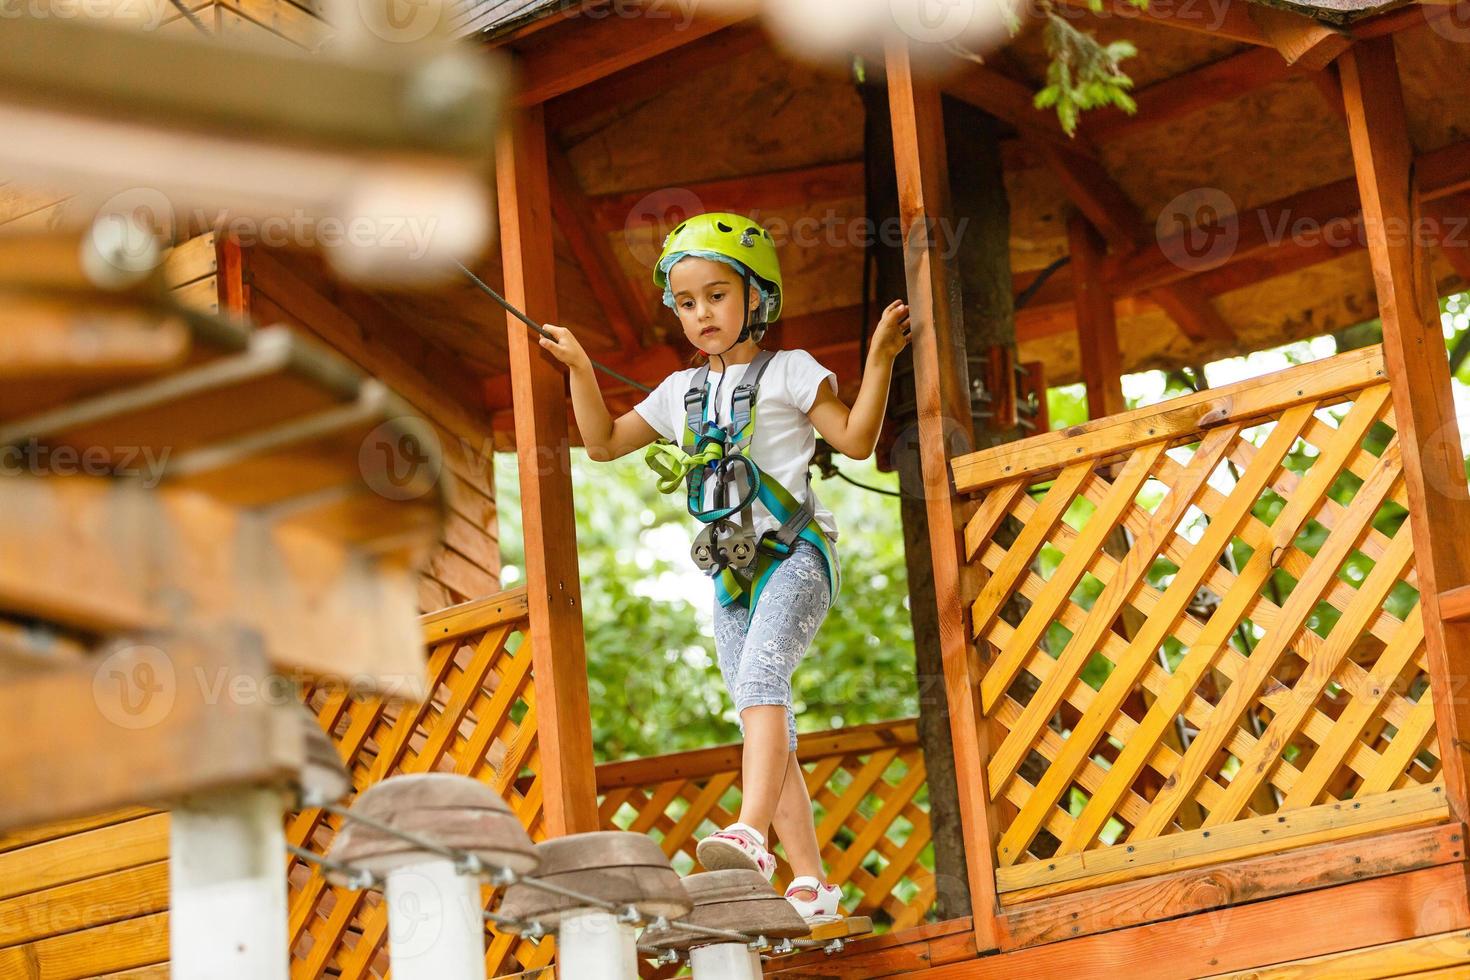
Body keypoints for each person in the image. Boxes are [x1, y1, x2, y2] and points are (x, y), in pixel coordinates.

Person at [536, 212, 911, 924]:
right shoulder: (679, 393)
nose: (700, 313)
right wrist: (583, 371)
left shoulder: (793, 371)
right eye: (685, 302)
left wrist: (881, 358)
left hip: (796, 556)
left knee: (764, 684)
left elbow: (857, 441)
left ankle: (751, 834)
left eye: (715, 295)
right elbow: (605, 442)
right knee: (761, 716)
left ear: (755, 298)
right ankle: (812, 884)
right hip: (728, 573)